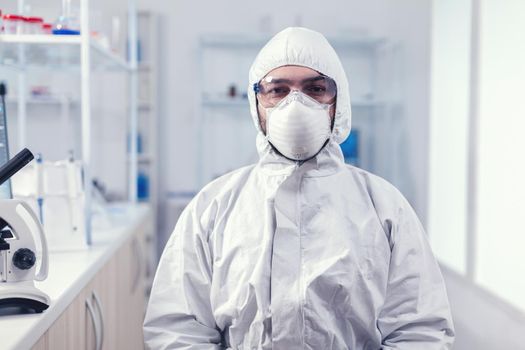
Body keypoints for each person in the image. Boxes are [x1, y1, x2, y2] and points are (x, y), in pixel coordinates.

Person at [144, 27, 455, 349]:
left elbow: (420, 330)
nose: (296, 104)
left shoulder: (385, 206)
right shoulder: (213, 206)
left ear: (339, 102)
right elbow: (178, 329)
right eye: (278, 90)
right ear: (257, 104)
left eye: (315, 89)